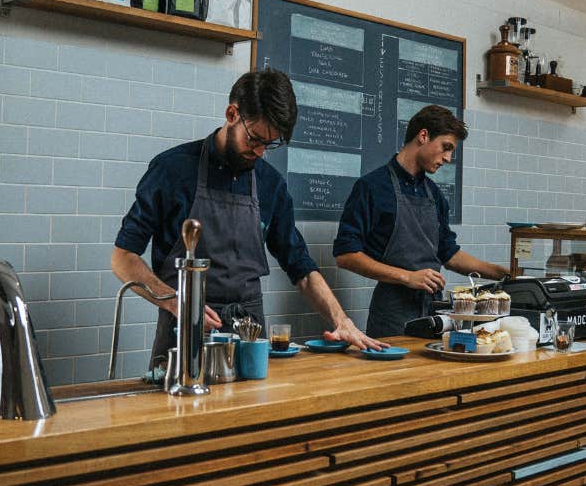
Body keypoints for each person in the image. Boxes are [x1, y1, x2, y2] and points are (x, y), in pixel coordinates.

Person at [112, 69, 383, 365]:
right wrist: (178, 302)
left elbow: (301, 268)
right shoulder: (172, 170)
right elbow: (123, 257)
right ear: (232, 114)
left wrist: (340, 319)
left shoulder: (271, 184)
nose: (260, 152)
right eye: (254, 139)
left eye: (270, 144)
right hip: (184, 332)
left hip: (250, 337)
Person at [333, 104, 510, 338]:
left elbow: (450, 255)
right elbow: (346, 255)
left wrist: (504, 275)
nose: (448, 158)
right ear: (423, 136)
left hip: (434, 312)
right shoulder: (371, 187)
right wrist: (408, 277)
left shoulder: (435, 195)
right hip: (392, 314)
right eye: (446, 148)